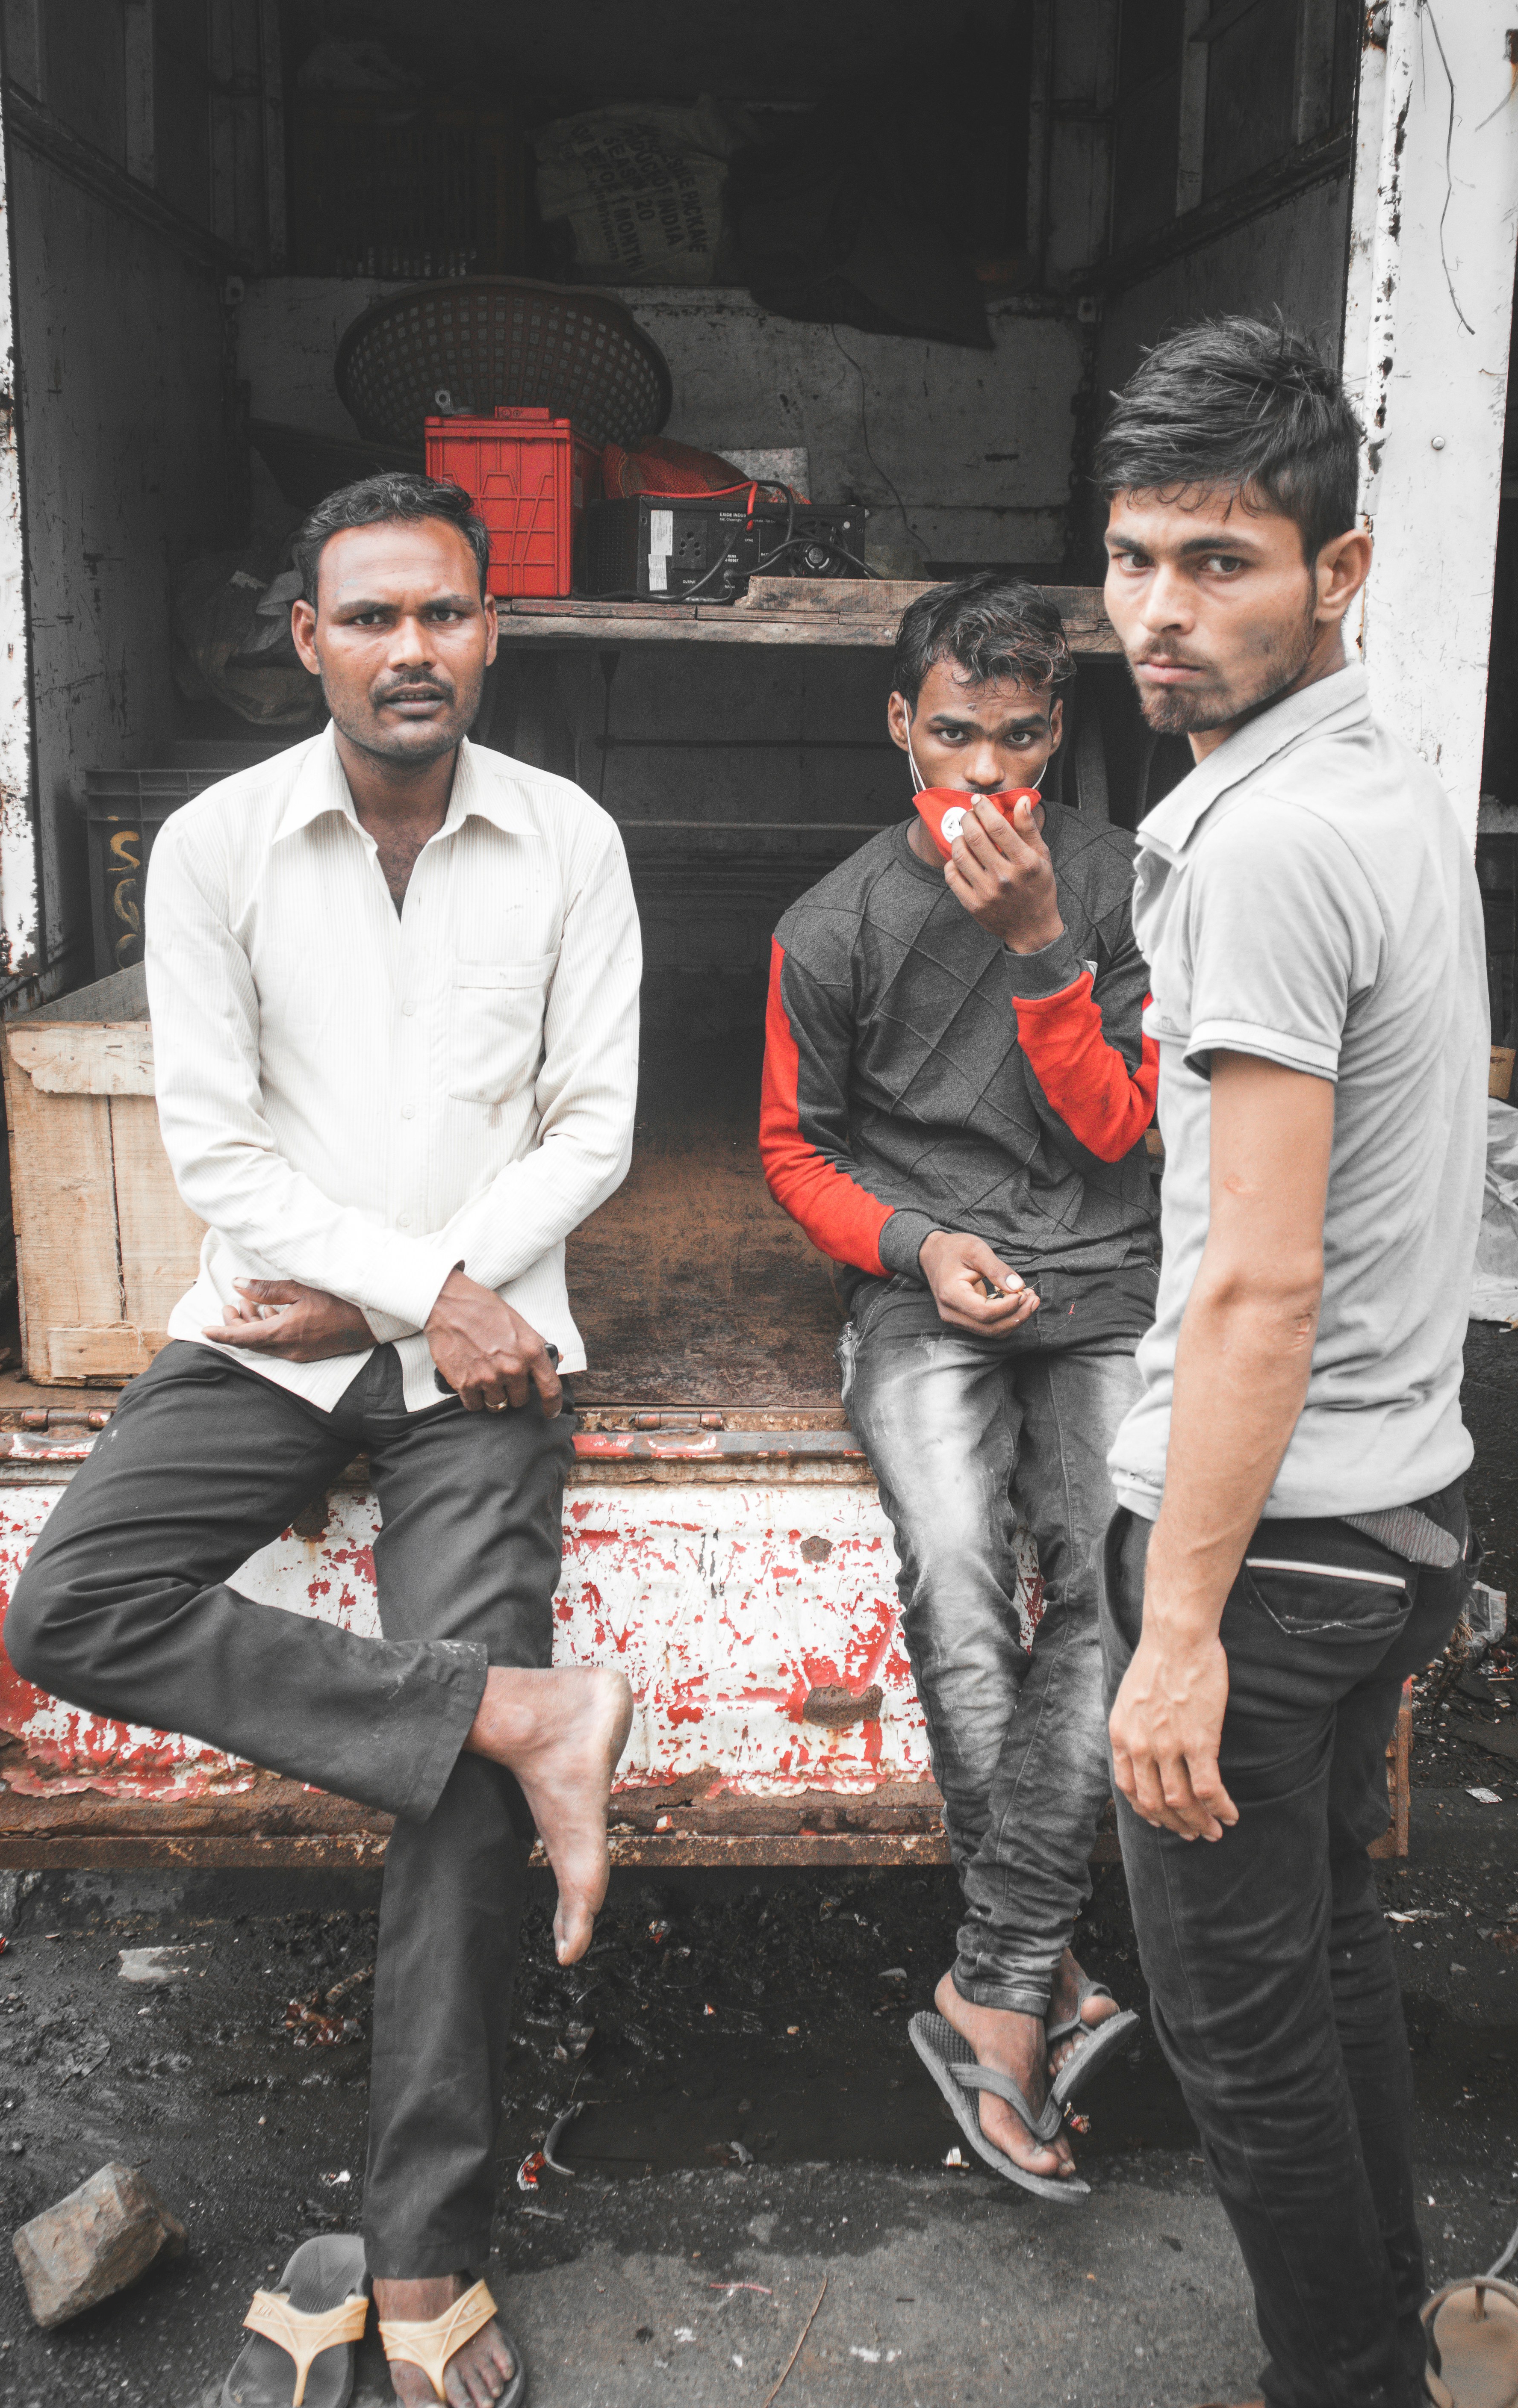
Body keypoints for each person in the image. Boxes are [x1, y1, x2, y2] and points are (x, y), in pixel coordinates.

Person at [4, 472, 643, 2408]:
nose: (409, 651)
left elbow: (596, 1128)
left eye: (442, 614)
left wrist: (421, 1300)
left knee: (437, 1778)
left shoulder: (572, 842)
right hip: (266, 1332)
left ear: (489, 630)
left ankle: (431, 2245)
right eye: (368, 618)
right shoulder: (211, 848)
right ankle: (532, 1713)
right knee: (68, 1606)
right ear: (308, 640)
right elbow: (214, 1151)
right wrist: (395, 1290)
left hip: (479, 1347)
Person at [1096, 318, 1486, 2408]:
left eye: (1220, 562)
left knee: (1234, 2030)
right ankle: (1387, 2334)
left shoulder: (1255, 846)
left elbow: (1254, 1278)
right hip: (1383, 1502)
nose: (1160, 612)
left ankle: (1344, 2380)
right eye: (1137, 556)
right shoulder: (1371, 779)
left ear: (1334, 574)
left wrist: (1175, 1628)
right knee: (1320, 1960)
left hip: (1271, 1542)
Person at [760, 573, 1158, 2196]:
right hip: (927, 1289)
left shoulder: (1127, 889)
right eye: (949, 739)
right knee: (952, 1564)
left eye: (1014, 740)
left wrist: (1039, 948)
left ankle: (992, 1978)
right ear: (897, 729)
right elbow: (797, 1149)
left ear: (1056, 733)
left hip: (1112, 1278)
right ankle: (1032, 1971)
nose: (983, 780)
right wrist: (917, 1245)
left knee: (1114, 1572)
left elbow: (1127, 1130)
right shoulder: (830, 924)